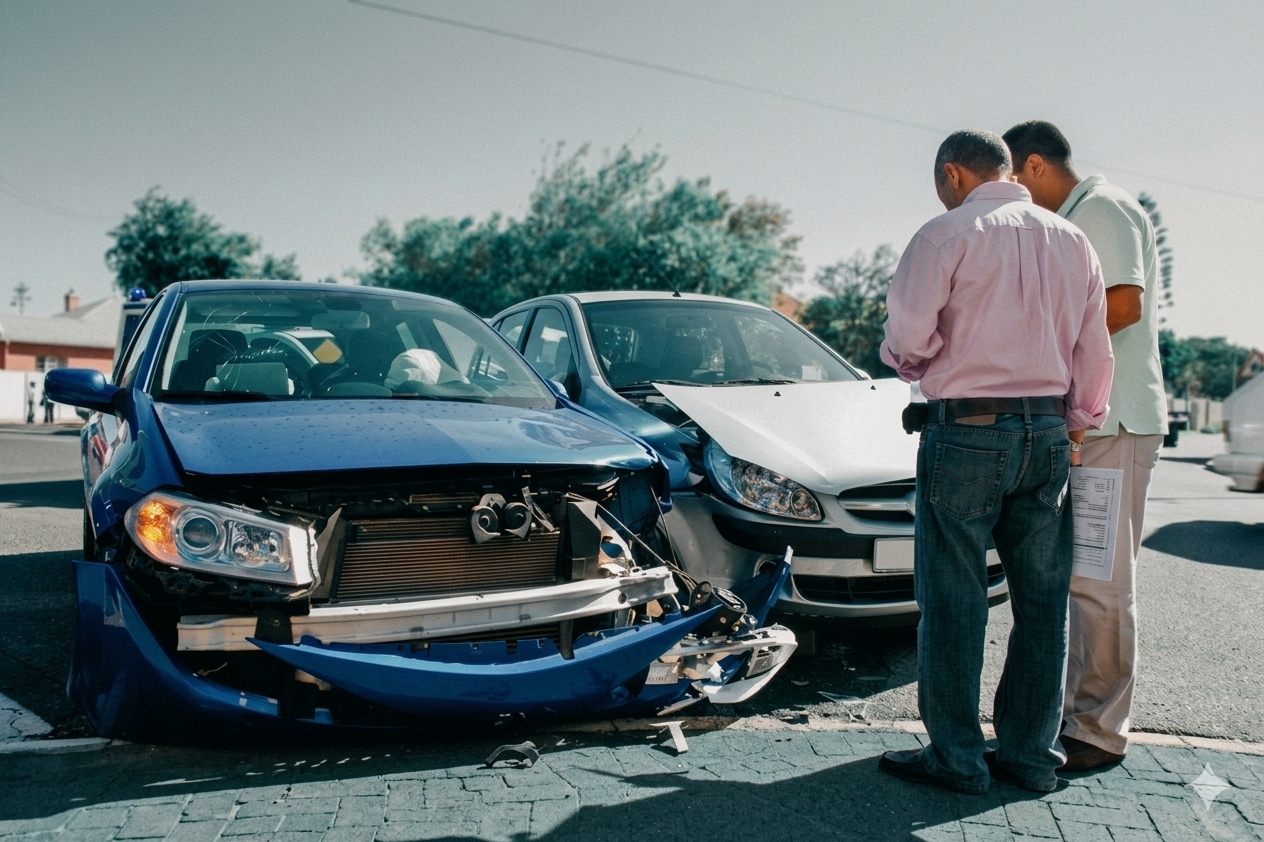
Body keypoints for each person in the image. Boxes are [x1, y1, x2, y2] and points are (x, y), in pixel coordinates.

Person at [876, 130, 1114, 794]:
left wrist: (907, 359)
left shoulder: (945, 234)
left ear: (954, 174)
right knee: (1041, 603)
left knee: (955, 600)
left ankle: (957, 759)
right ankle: (1030, 757)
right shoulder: (1072, 240)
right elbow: (1095, 351)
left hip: (967, 434)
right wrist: (1077, 422)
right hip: (1047, 432)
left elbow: (909, 339)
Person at [1003, 121, 1168, 772]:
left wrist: (1035, 345)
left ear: (1036, 166)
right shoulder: (1074, 216)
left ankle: (1098, 733)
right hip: (1088, 426)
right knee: (1083, 581)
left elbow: (1123, 305)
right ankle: (1074, 719)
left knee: (1101, 583)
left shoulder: (1101, 208)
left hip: (1115, 424)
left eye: (1013, 180)